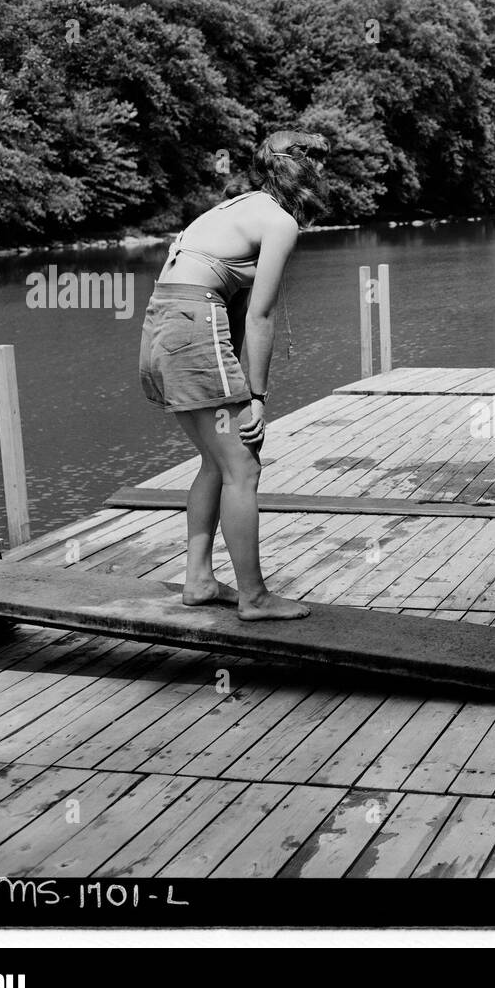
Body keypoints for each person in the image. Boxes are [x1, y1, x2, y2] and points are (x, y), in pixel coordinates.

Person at [139, 129, 328, 621]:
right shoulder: (279, 220)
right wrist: (258, 396)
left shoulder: (237, 207)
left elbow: (240, 311)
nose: (327, 173)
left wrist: (242, 384)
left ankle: (199, 580)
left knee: (215, 461)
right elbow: (261, 316)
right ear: (302, 169)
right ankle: (255, 597)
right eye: (321, 163)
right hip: (194, 323)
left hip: (163, 324)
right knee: (243, 465)